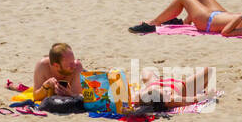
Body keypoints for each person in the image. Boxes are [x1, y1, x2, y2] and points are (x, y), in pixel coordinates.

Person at [31, 42, 213, 107]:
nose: (74, 64)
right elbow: (35, 96)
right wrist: (46, 87)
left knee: (147, 75)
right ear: (56, 65)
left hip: (159, 85)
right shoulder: (42, 67)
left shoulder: (77, 68)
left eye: (74, 61)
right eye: (68, 64)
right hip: (165, 85)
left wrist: (70, 94)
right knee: (148, 74)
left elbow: (80, 97)